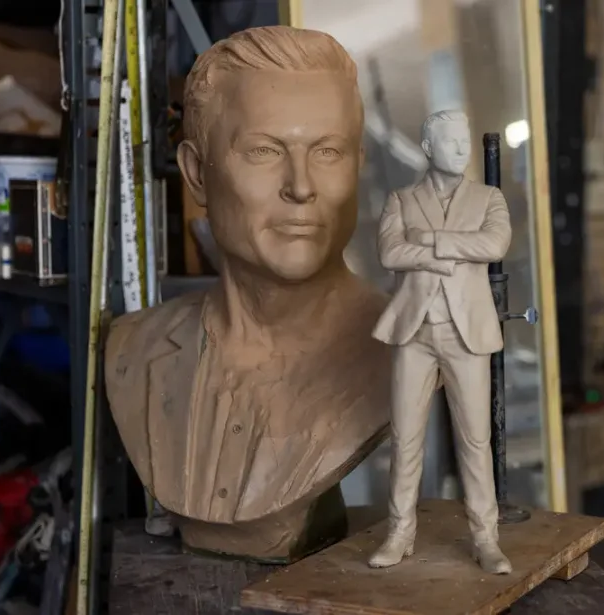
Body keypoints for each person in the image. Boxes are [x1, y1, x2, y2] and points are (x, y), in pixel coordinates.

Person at [104, 26, 391, 563]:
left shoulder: (403, 350)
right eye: (264, 150)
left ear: (358, 163)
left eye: (328, 151)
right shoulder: (131, 350)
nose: (301, 186)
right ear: (196, 174)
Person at [370, 109, 513, 574]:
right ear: (429, 148)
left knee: (475, 439)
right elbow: (391, 252)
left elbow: (493, 246)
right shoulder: (401, 198)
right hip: (414, 332)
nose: (462, 148)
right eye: (451, 141)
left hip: (465, 334)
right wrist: (448, 252)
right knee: (405, 438)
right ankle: (400, 532)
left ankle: (485, 538)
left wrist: (430, 241)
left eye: (465, 140)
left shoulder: (489, 198)